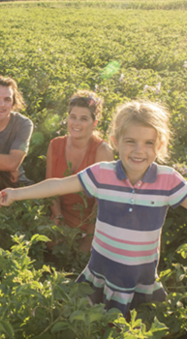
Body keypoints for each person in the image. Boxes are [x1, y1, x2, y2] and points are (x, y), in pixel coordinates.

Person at [0, 100, 187, 316]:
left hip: (139, 277)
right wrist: (16, 193)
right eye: (131, 142)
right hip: (100, 271)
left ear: (160, 146)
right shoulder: (103, 175)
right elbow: (57, 185)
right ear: (115, 141)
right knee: (87, 322)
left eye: (149, 143)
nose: (139, 150)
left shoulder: (168, 179)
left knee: (134, 325)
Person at [46, 90, 114, 251]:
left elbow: (101, 202)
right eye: (73, 117)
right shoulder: (55, 145)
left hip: (91, 222)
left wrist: (89, 239)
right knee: (50, 245)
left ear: (94, 123)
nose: (76, 123)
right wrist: (58, 218)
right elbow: (50, 189)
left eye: (84, 119)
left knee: (85, 255)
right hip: (62, 216)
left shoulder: (102, 151)